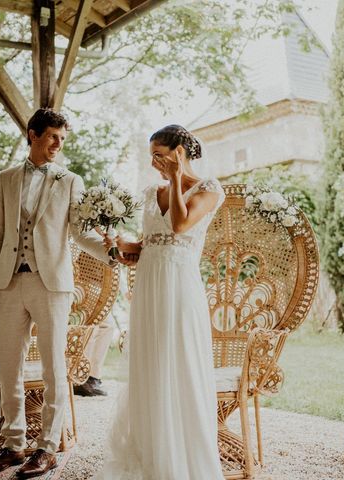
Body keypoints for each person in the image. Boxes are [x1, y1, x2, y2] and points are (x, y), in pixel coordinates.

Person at [0, 108, 113, 478]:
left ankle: (48, 447)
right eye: (53, 136)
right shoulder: (5, 179)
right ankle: (13, 444)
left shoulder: (70, 180)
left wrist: (114, 251)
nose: (58, 144)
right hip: (9, 282)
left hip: (52, 283)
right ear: (33, 134)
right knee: (10, 366)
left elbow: (81, 234)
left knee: (54, 366)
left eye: (63, 139)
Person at [99, 125, 226, 480]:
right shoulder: (151, 191)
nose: (154, 162)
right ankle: (150, 450)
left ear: (179, 152)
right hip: (149, 287)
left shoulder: (209, 190)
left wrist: (175, 179)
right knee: (150, 363)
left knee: (177, 362)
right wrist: (127, 248)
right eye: (151, 155)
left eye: (159, 154)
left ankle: (182, 459)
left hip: (179, 288)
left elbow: (181, 226)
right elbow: (151, 243)